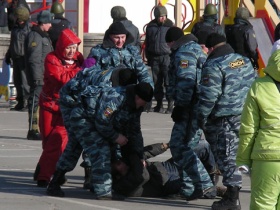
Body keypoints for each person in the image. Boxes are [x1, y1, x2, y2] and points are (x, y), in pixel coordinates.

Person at [46, 82, 154, 200]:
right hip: (83, 119)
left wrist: (139, 155)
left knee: (105, 150)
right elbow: (102, 122)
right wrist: (116, 136)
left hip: (97, 122)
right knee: (100, 151)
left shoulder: (135, 107)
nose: (143, 106)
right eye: (143, 103)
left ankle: (93, 184)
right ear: (137, 97)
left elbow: (135, 131)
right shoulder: (116, 99)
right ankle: (103, 192)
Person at [197, 33, 256, 210]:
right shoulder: (243, 60)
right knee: (245, 154)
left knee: (228, 157)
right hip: (246, 116)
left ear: (211, 48)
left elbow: (209, 97)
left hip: (224, 119)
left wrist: (201, 117)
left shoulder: (214, 65)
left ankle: (232, 198)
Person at [165, 26, 214, 201]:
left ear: (171, 43)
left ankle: (205, 185)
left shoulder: (184, 53)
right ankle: (189, 187)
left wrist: (181, 107)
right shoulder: (194, 48)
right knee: (185, 147)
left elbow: (187, 82)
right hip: (196, 108)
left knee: (179, 146)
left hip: (190, 108)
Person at [33, 28, 84, 187]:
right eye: (68, 47)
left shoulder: (79, 59)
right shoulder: (51, 58)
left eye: (74, 47)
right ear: (61, 45)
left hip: (67, 108)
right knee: (48, 142)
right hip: (49, 106)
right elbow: (61, 78)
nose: (71, 51)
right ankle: (50, 170)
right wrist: (81, 70)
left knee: (58, 140)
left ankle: (44, 176)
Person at [236, 48, 280, 210]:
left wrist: (243, 160)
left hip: (266, 156)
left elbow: (249, 128)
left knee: (263, 204)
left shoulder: (259, 86)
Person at [112, 139, 216, 198]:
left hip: (168, 166)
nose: (122, 162)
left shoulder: (129, 165)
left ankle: (212, 174)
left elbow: (143, 153)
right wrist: (134, 156)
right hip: (168, 182)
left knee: (202, 145)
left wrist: (166, 145)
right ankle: (212, 188)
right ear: (117, 175)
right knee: (209, 192)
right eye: (118, 163)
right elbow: (143, 175)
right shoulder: (122, 185)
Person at [87, 21, 153, 87]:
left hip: (130, 91)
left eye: (123, 37)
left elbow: (143, 73)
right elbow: (90, 75)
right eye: (117, 37)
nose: (120, 41)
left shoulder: (132, 51)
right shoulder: (98, 51)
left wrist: (147, 88)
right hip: (108, 93)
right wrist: (114, 75)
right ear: (109, 37)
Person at [25, 10, 54, 140]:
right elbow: (34, 58)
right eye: (49, 23)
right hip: (39, 76)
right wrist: (37, 77)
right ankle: (33, 129)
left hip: (44, 76)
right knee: (35, 102)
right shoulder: (36, 36)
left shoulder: (43, 35)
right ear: (44, 23)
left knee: (41, 103)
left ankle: (39, 128)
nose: (51, 26)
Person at [145, 5, 174, 114]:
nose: (163, 18)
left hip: (167, 57)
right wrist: (148, 56)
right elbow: (148, 42)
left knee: (168, 82)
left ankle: (170, 105)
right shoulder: (150, 27)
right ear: (156, 16)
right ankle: (159, 104)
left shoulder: (170, 26)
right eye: (161, 16)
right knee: (156, 82)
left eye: (164, 16)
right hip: (154, 57)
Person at [5, 5, 30, 111]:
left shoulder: (28, 29)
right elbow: (12, 44)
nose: (18, 21)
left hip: (24, 58)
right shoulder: (15, 29)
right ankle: (20, 101)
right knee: (17, 81)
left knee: (25, 82)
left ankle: (27, 102)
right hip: (16, 58)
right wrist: (8, 55)